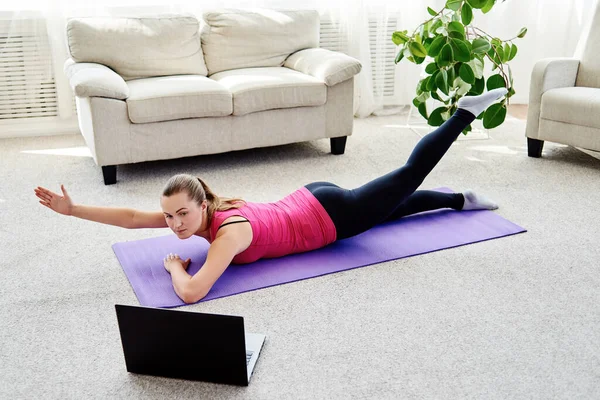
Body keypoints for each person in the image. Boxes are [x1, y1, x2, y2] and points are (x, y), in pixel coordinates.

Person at [35, 87, 508, 304]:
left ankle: (462, 115)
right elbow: (134, 218)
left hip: (332, 219)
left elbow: (194, 293)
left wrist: (176, 266)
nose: (174, 225)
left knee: (406, 177)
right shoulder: (202, 210)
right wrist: (72, 209)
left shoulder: (227, 234)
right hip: (314, 198)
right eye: (170, 216)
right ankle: (458, 201)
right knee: (392, 209)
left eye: (180, 215)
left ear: (202, 206)